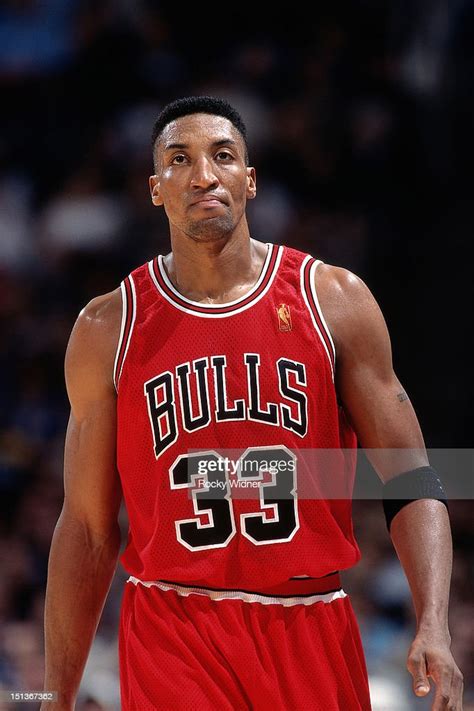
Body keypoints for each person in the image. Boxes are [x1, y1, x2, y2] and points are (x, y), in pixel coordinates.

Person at [42, 96, 463, 711]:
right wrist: (56, 695)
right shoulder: (109, 326)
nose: (203, 174)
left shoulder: (335, 300)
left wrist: (434, 620)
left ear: (250, 179)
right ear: (155, 188)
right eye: (179, 159)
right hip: (171, 625)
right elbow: (85, 526)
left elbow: (412, 478)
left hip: (309, 624)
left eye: (223, 155)